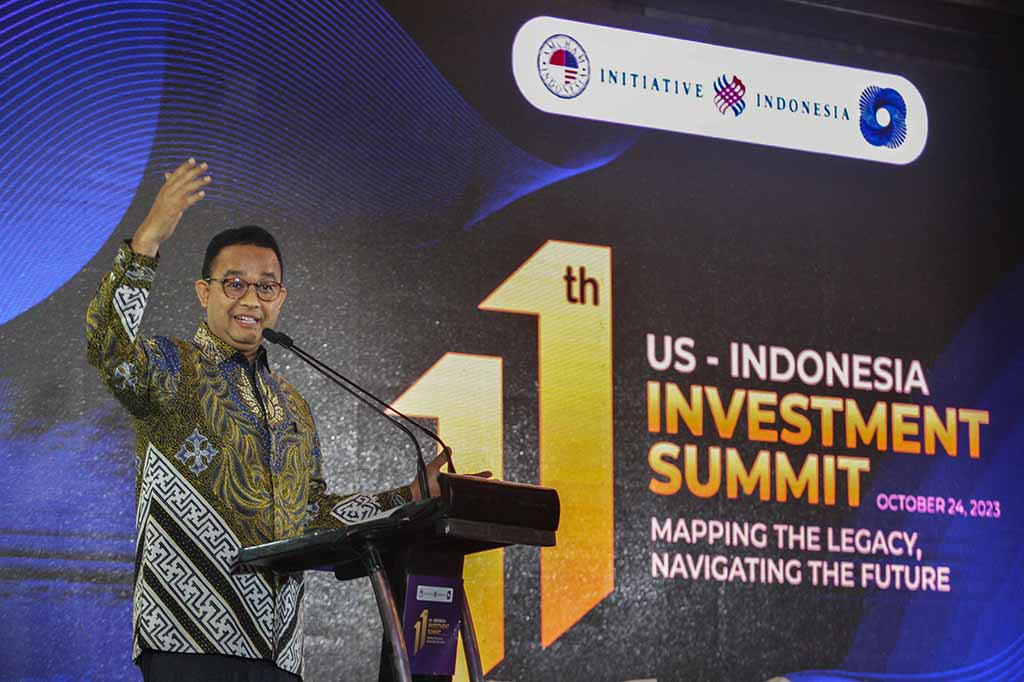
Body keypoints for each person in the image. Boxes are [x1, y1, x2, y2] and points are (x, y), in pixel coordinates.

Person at [86, 158, 444, 681]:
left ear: (281, 299)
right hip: (191, 643)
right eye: (234, 283)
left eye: (266, 287)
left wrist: (408, 496)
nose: (251, 299)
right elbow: (107, 346)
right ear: (204, 292)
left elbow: (312, 516)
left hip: (280, 653)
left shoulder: (292, 405)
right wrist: (148, 240)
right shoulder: (171, 368)